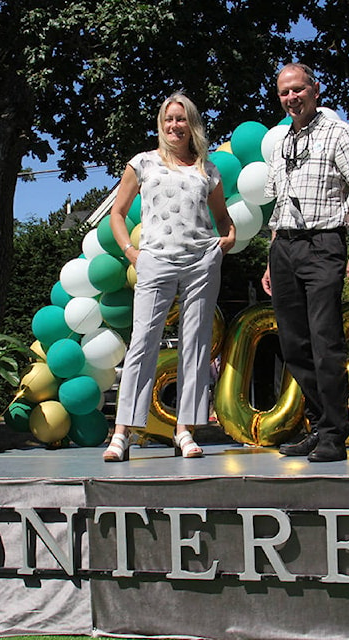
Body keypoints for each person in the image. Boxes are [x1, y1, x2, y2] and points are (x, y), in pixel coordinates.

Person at [103, 93, 236, 462]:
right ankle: (122, 433)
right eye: (168, 119)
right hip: (155, 261)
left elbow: (222, 219)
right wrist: (131, 251)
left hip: (200, 263)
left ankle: (185, 431)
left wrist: (227, 238)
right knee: (142, 342)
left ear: (191, 124)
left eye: (181, 119)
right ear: (161, 124)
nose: (174, 125)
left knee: (195, 346)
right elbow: (117, 213)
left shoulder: (207, 170)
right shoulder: (142, 163)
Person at [261, 63, 349, 463]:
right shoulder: (280, 143)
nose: (291, 98)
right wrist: (272, 260)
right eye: (284, 93)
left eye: (297, 90)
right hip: (284, 246)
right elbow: (279, 203)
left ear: (315, 89)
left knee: (326, 342)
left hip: (324, 243)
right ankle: (317, 424)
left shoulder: (339, 133)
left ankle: (334, 436)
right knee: (293, 346)